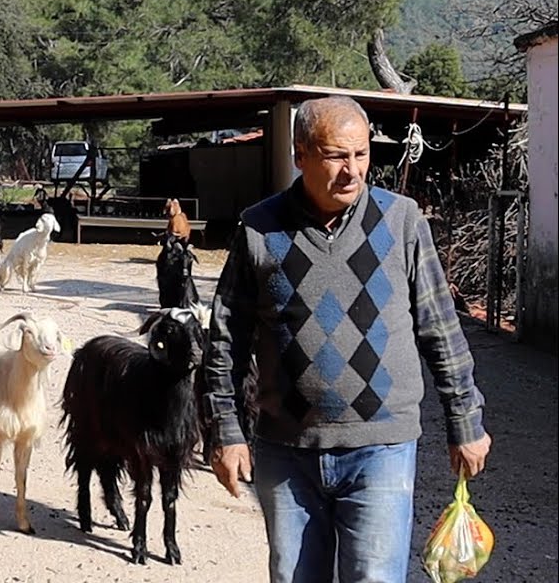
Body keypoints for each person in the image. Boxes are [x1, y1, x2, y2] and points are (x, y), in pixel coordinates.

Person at [201, 95, 491, 582]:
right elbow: (225, 338)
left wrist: (466, 419)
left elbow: (440, 327)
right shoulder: (259, 228)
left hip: (381, 448)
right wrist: (225, 432)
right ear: (301, 155)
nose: (352, 170)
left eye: (361, 155)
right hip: (287, 451)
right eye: (336, 155)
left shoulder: (401, 221)